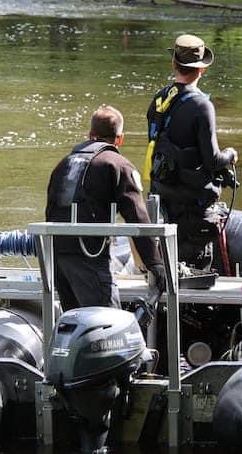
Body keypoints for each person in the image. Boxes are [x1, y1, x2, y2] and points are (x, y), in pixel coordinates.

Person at [45, 105, 167, 312]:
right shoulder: (118, 165)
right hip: (89, 256)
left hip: (57, 256)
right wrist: (155, 263)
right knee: (107, 325)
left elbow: (50, 209)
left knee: (75, 323)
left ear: (90, 134)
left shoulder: (63, 164)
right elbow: (137, 217)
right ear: (120, 139)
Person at [145, 34, 238, 269]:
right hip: (192, 208)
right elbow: (213, 159)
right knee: (192, 271)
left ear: (174, 63)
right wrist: (231, 154)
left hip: (163, 201)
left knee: (169, 263)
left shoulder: (160, 99)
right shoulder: (202, 106)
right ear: (201, 70)